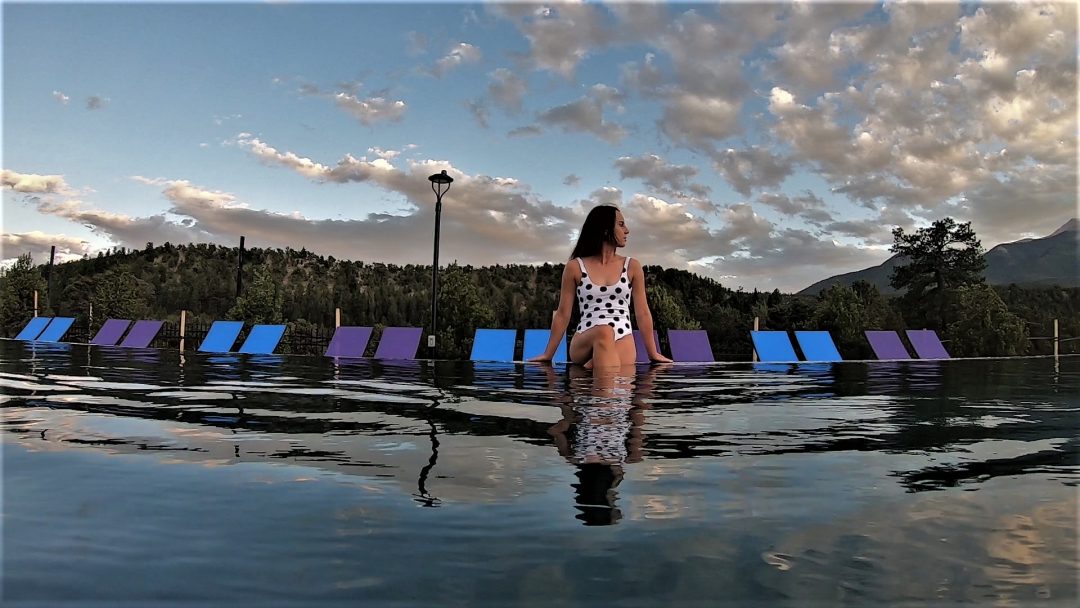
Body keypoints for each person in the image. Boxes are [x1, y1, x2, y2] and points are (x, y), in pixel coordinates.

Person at [528, 204, 672, 368]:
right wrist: (548, 354)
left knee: (608, 364)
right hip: (586, 338)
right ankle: (594, 369)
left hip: (623, 337)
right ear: (605, 230)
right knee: (604, 331)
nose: (627, 230)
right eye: (621, 224)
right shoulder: (576, 267)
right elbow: (562, 314)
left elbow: (643, 313)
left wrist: (653, 353)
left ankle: (593, 370)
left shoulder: (632, 266)